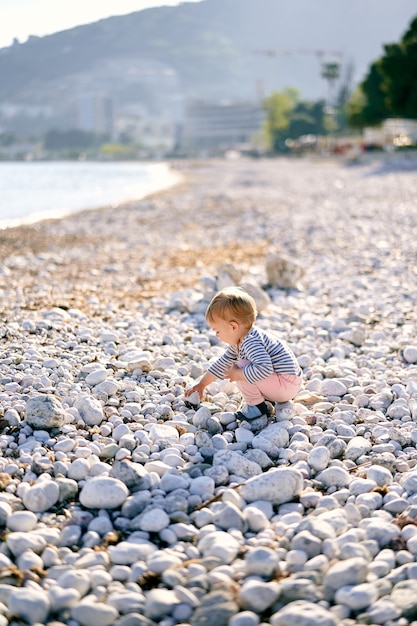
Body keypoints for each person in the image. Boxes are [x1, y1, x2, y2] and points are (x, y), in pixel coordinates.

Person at [185, 286, 303, 420]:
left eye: (217, 330)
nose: (216, 335)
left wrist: (238, 374)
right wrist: (202, 384)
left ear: (233, 326)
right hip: (287, 383)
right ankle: (264, 401)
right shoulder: (242, 339)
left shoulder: (251, 342)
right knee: (236, 365)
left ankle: (257, 407)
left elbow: (264, 368)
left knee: (240, 367)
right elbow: (222, 363)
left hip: (285, 385)